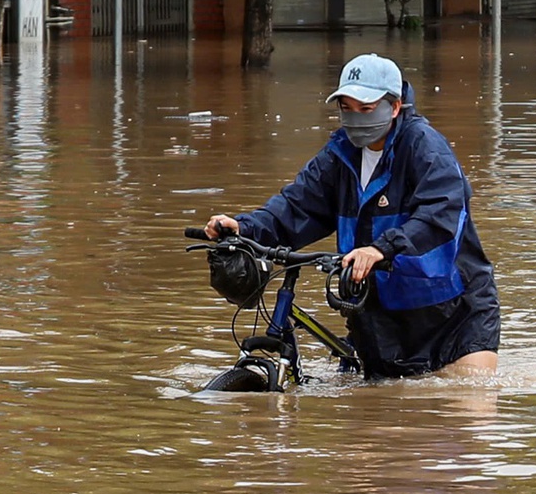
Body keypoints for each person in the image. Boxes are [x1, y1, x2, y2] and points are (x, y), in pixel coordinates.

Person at [203, 53, 500, 379]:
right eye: (346, 108)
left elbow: (440, 214)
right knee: (373, 410)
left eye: (366, 109)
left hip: (453, 318)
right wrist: (245, 227)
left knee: (467, 398)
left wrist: (381, 249)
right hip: (378, 319)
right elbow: (296, 207)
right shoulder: (338, 155)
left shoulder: (425, 147)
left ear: (395, 107)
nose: (355, 118)